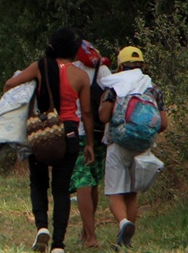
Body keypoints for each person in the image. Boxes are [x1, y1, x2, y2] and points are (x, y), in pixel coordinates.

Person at [3, 27, 95, 253]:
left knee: (38, 182)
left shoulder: (40, 67)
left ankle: (42, 227)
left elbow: (8, 85)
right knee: (61, 190)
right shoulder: (81, 76)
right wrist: (90, 143)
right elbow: (87, 113)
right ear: (74, 51)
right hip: (70, 134)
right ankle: (58, 245)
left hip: (42, 133)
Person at [98, 46, 169, 249]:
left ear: (120, 66)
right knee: (131, 193)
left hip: (117, 143)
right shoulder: (153, 88)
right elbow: (163, 124)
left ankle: (123, 223)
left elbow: (104, 117)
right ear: (143, 65)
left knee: (114, 192)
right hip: (142, 146)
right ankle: (127, 240)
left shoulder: (115, 87)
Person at [70, 42, 112, 248]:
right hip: (100, 131)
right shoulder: (102, 69)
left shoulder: (71, 70)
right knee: (93, 181)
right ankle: (86, 231)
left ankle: (91, 235)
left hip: (78, 131)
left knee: (82, 181)